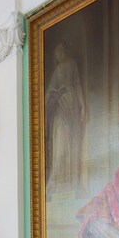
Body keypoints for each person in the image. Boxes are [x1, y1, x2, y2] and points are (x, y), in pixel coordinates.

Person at [45, 41, 86, 194]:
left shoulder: (72, 64)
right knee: (60, 142)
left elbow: (77, 85)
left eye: (60, 52)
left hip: (71, 103)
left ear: (64, 51)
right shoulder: (57, 70)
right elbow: (49, 89)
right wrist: (50, 96)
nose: (59, 56)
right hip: (59, 105)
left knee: (72, 140)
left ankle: (72, 180)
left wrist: (83, 107)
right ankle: (59, 181)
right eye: (57, 54)